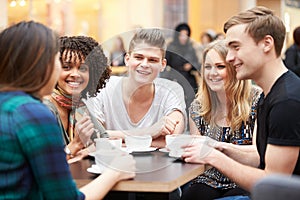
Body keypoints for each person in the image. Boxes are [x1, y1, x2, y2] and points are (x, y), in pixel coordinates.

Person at [0, 21, 135, 199]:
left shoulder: (10, 104)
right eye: (59, 62)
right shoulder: (34, 113)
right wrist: (115, 173)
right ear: (39, 64)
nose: (73, 73)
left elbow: (103, 141)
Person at [182, 5, 300, 198]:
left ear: (266, 44)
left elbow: (274, 186)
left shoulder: (286, 102)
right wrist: (218, 146)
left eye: (236, 47)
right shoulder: (270, 95)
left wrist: (214, 156)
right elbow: (261, 160)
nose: (230, 58)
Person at [181, 40, 261, 200]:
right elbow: (197, 156)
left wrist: (216, 148)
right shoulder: (198, 106)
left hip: (244, 179)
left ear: (234, 68)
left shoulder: (257, 99)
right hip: (207, 179)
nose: (212, 73)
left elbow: (258, 155)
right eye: (208, 67)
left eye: (220, 66)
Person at [86, 28, 186, 148]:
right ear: (127, 59)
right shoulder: (104, 87)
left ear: (162, 65)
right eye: (138, 57)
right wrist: (149, 132)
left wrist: (113, 138)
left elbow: (171, 141)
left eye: (152, 60)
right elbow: (92, 136)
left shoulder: (171, 90)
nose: (144, 64)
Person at [43, 35, 111, 161]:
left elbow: (104, 141)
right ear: (53, 69)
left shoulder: (78, 105)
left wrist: (86, 150)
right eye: (67, 67)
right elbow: (45, 163)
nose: (75, 74)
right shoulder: (45, 109)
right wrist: (76, 145)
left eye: (83, 68)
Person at [165, 23, 201, 93]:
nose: (184, 38)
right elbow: (166, 64)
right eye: (181, 35)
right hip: (174, 79)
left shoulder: (190, 48)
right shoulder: (171, 48)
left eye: (186, 35)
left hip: (189, 80)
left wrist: (191, 65)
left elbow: (197, 64)